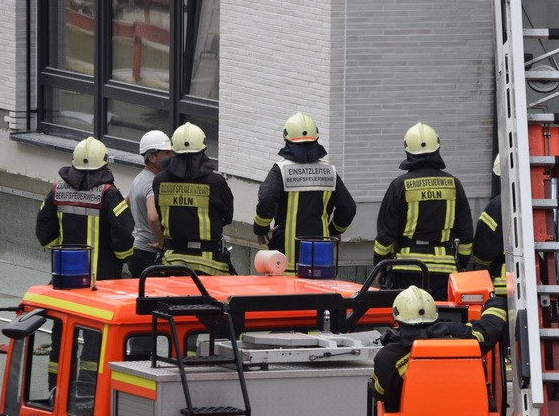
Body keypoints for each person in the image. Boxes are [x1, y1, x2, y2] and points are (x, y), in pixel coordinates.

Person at [373, 123, 474, 301]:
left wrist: (379, 267)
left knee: (409, 319)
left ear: (407, 150)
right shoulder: (454, 184)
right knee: (443, 320)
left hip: (407, 269)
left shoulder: (399, 185)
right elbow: (465, 233)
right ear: (437, 147)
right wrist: (463, 264)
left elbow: (385, 234)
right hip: (445, 273)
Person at [370, 286, 507, 412]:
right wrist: (496, 302)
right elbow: (488, 331)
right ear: (435, 314)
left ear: (396, 319)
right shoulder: (458, 335)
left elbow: (380, 393)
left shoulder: (387, 358)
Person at [253, 112, 356, 272]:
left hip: (284, 262)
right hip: (319, 265)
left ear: (286, 138)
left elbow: (266, 200)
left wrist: (261, 228)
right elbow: (348, 208)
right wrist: (334, 230)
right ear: (316, 138)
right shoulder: (329, 171)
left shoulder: (281, 170)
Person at [35, 136, 135, 281]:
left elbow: (43, 229)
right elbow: (124, 232)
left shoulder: (58, 191)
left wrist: (63, 251)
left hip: (66, 275)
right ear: (104, 163)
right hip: (102, 279)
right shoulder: (109, 194)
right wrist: (123, 257)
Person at [150, 122, 235, 275]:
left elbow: (159, 215)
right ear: (203, 150)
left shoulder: (159, 181)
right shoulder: (216, 182)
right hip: (211, 266)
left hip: (170, 264)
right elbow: (227, 217)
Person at [127, 130, 172, 278]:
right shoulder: (153, 182)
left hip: (137, 250)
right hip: (149, 254)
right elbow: (153, 217)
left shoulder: (138, 179)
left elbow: (124, 204)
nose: (170, 157)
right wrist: (162, 243)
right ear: (152, 157)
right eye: (166, 154)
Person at [472, 154, 506, 296]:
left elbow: (483, 250)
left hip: (504, 284)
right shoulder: (540, 206)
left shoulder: (497, 206)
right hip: (538, 285)